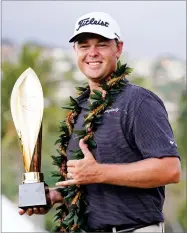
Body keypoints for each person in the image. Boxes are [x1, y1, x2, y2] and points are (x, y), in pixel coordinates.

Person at [19, 12, 181, 233]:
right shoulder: (79, 109)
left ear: (118, 48)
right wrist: (56, 196)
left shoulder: (139, 102)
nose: (92, 53)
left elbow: (169, 170)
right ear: (75, 51)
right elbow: (91, 183)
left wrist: (99, 173)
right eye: (84, 46)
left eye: (102, 45)